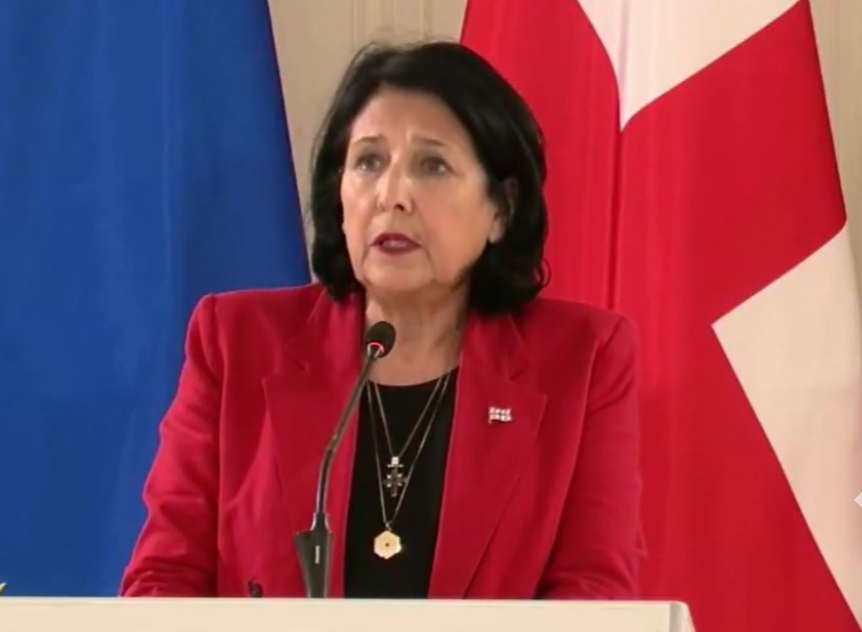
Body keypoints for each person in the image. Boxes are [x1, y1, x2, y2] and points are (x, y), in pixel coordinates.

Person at [119, 40, 645, 600]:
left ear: (502, 209)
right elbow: (164, 580)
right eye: (369, 162)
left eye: (433, 166)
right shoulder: (236, 341)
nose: (392, 196)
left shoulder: (582, 359)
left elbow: (595, 594)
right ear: (339, 195)